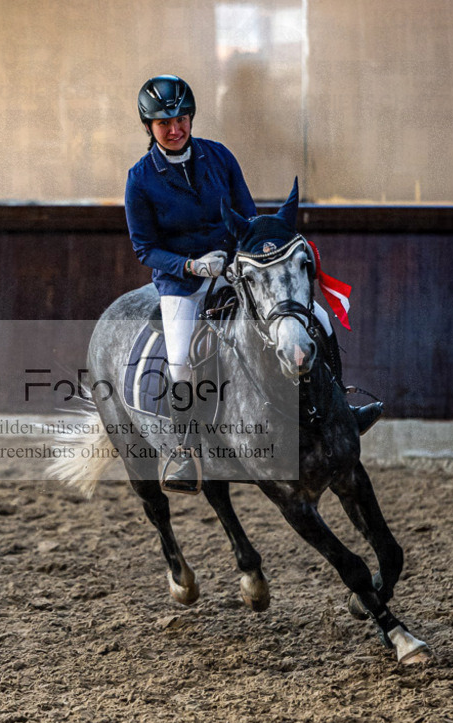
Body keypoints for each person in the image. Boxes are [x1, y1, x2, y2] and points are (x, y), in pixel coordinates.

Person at [125, 74, 380, 494]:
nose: (175, 129)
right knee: (179, 360)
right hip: (182, 283)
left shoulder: (219, 157)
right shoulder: (140, 179)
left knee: (315, 316)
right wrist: (192, 266)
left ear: (190, 117)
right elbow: (145, 249)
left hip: (239, 273)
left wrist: (258, 254)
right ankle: (185, 453)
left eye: (182, 119)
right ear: (148, 127)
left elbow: (249, 218)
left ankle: (341, 410)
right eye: (164, 124)